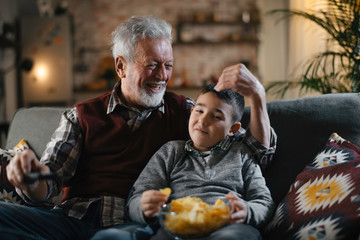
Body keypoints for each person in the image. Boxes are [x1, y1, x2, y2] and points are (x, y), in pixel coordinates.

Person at [0, 16, 276, 240]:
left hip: (130, 225)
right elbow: (46, 186)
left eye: (168, 65)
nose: (162, 76)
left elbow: (255, 153)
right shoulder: (80, 116)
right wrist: (30, 180)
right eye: (152, 65)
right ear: (121, 66)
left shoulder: (188, 112)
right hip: (71, 220)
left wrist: (258, 96)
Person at [126, 84, 274, 240]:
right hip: (178, 227)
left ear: (233, 129)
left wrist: (247, 211)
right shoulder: (171, 151)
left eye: (216, 116)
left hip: (227, 227)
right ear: (191, 112)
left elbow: (264, 202)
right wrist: (143, 206)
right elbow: (136, 198)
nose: (203, 120)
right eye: (199, 111)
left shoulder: (242, 154)